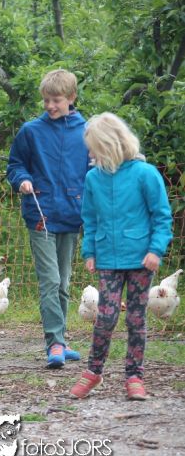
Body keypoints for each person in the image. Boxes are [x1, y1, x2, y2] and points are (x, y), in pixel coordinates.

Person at [69, 113, 173, 400]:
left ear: (109, 145)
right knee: (105, 316)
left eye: (93, 148)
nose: (90, 154)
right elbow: (90, 218)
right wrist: (89, 251)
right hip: (107, 259)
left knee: (136, 319)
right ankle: (93, 372)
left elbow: (162, 216)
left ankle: (134, 376)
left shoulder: (145, 173)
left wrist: (156, 250)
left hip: (141, 260)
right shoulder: (93, 178)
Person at [6, 69, 89, 368]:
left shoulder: (87, 132)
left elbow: (94, 171)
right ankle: (54, 342)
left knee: (64, 282)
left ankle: (61, 341)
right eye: (46, 100)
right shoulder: (31, 131)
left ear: (71, 97)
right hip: (40, 214)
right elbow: (15, 165)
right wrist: (22, 180)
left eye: (56, 100)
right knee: (50, 280)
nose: (50, 106)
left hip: (72, 215)